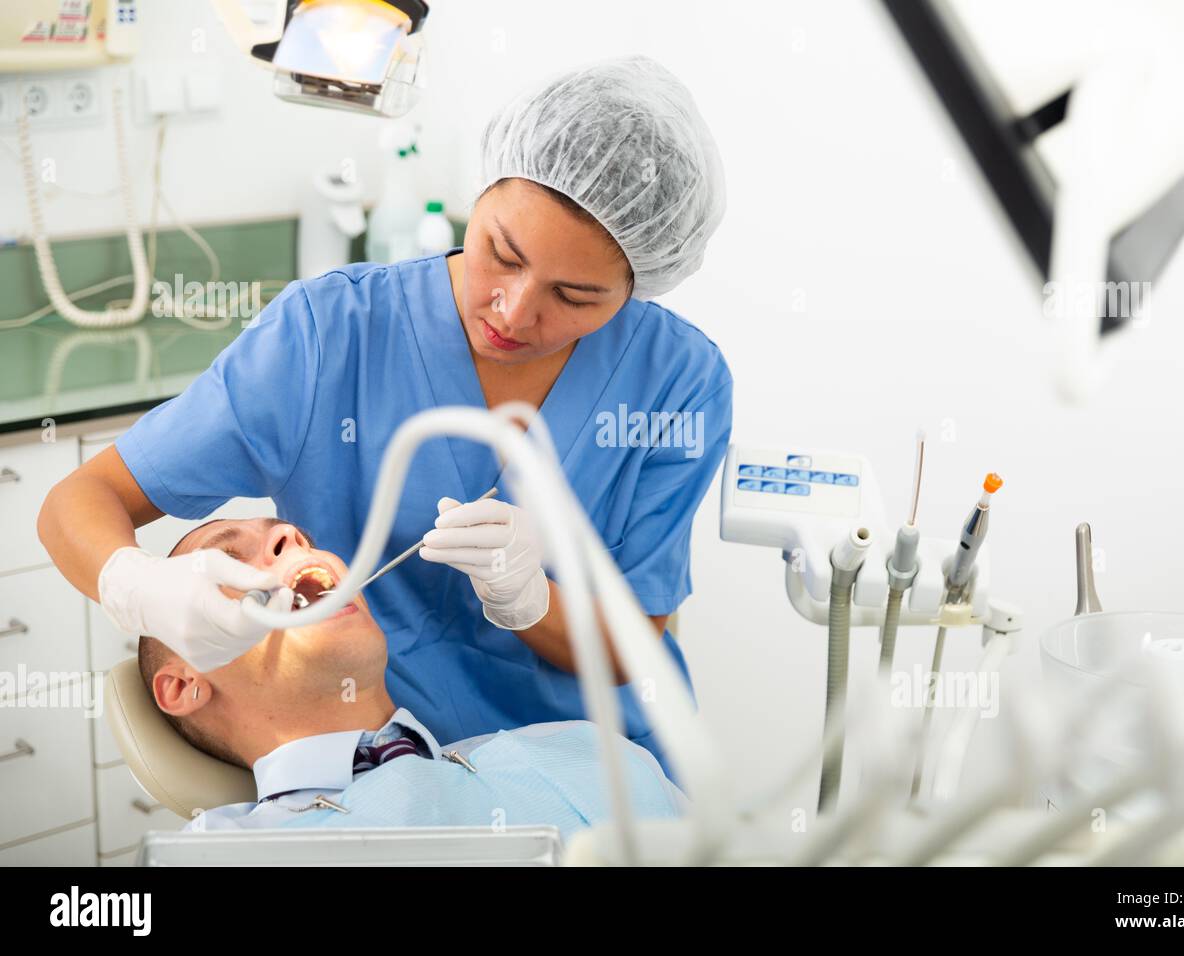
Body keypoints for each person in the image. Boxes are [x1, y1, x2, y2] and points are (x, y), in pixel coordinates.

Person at [39, 55, 731, 779]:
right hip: (398, 774)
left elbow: (632, 648)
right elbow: (77, 503)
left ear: (638, 285)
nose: (514, 310)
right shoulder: (329, 336)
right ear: (481, 191)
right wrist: (138, 586)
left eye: (576, 296)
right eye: (502, 253)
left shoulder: (678, 382)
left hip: (609, 770)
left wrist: (529, 599)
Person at [139, 516, 685, 836]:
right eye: (227, 561)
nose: (289, 536)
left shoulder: (586, 751)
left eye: (298, 536)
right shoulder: (218, 853)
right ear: (184, 685)